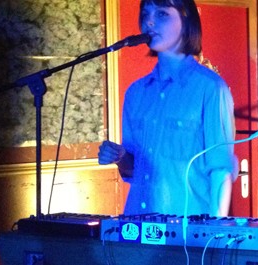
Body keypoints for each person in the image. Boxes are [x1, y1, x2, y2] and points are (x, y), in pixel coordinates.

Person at [98, 0, 237, 217]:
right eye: (145, 14)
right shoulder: (135, 93)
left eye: (162, 14)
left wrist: (213, 236)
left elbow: (220, 169)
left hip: (186, 233)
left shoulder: (210, 88)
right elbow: (133, 170)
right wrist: (120, 156)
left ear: (186, 20)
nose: (149, 21)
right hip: (136, 224)